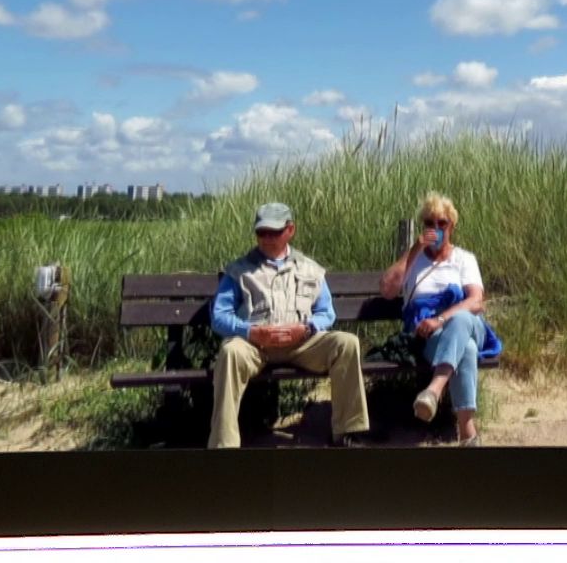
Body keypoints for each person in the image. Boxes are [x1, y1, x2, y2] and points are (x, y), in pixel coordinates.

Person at [208, 201, 371, 448]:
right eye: (261, 232)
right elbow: (219, 316)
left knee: (347, 343)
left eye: (274, 232)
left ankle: (347, 433)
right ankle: (224, 444)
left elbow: (326, 313)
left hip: (301, 344)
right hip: (255, 347)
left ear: (290, 230)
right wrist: (251, 331)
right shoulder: (238, 271)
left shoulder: (311, 269)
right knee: (230, 352)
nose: (267, 238)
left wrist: (306, 329)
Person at [381, 190, 500, 446]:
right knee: (466, 349)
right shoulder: (415, 261)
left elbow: (475, 301)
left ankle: (434, 390)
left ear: (452, 226)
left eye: (442, 223)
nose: (435, 228)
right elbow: (388, 290)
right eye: (429, 223)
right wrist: (415, 248)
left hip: (468, 325)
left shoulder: (464, 259)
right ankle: (468, 434)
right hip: (429, 336)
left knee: (461, 319)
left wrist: (441, 319)